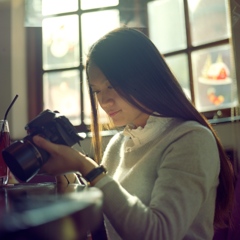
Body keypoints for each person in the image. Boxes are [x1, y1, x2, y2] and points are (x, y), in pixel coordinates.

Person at [33, 27, 234, 240]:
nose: (103, 101)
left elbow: (158, 234)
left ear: (145, 78)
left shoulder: (192, 139)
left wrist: (86, 166)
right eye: (97, 90)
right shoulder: (119, 145)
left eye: (112, 85)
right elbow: (104, 223)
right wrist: (66, 172)